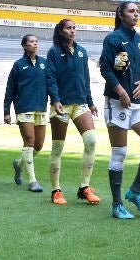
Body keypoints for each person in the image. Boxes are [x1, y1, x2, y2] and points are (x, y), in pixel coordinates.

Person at [100, 2, 140, 219]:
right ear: (120, 14)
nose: (135, 14)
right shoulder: (114, 39)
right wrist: (121, 91)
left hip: (139, 102)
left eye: (137, 11)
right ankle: (117, 205)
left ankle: (134, 191)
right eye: (131, 11)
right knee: (120, 153)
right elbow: (105, 68)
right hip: (117, 102)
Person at [45, 18, 100, 206]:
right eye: (69, 28)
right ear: (61, 31)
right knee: (58, 148)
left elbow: (85, 78)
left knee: (91, 140)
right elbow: (50, 77)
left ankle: (85, 187)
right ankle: (56, 191)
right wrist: (55, 99)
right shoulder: (53, 52)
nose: (73, 31)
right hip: (61, 104)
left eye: (74, 28)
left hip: (80, 103)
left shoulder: (82, 52)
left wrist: (91, 102)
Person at [4, 34, 49, 193]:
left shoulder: (45, 63)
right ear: (24, 45)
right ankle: (32, 181)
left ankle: (19, 164)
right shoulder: (18, 65)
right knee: (29, 141)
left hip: (41, 108)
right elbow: (10, 88)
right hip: (24, 107)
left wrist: (57, 100)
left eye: (37, 41)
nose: (35, 44)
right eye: (31, 41)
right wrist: (6, 111)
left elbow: (50, 84)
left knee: (39, 145)